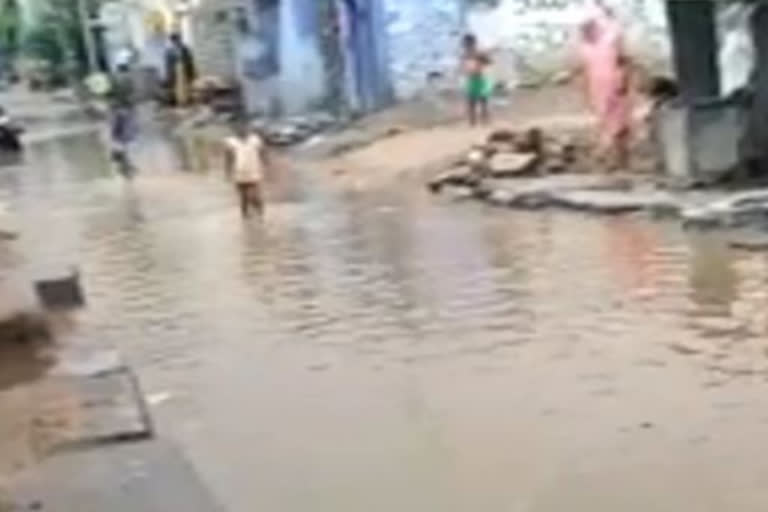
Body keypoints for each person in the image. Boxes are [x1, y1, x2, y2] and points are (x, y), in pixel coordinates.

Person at [577, 3, 631, 170]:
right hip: (598, 88)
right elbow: (583, 70)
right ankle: (611, 160)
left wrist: (623, 79)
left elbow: (623, 60)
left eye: (588, 27)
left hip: (615, 83)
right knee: (605, 122)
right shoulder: (585, 46)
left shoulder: (611, 37)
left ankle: (618, 160)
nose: (586, 31)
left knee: (620, 123)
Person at [224, 119, 269, 218]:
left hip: (253, 171)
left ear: (247, 128)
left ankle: (260, 210)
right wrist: (227, 172)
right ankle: (245, 217)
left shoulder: (255, 140)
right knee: (243, 196)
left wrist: (265, 164)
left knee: (253, 195)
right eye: (238, 127)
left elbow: (263, 152)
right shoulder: (230, 142)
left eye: (243, 127)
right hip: (239, 173)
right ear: (235, 129)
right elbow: (228, 158)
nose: (241, 129)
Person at [108, 61, 138, 178]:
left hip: (114, 109)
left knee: (116, 134)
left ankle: (119, 156)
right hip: (126, 109)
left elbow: (107, 94)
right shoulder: (129, 79)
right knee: (126, 136)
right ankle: (124, 160)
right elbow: (133, 94)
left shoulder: (112, 79)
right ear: (127, 70)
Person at [461, 34, 492, 126]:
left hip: (481, 79)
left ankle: (484, 122)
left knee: (483, 102)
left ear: (473, 43)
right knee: (472, 103)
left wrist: (480, 62)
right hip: (472, 80)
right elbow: (465, 67)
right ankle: (473, 123)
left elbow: (489, 62)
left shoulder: (479, 53)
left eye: (467, 43)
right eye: (465, 44)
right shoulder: (466, 54)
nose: (466, 45)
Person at [165, 33, 197, 107]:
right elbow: (168, 63)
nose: (176, 41)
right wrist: (168, 73)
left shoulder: (184, 48)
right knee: (177, 86)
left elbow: (189, 60)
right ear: (172, 41)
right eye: (174, 40)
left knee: (185, 84)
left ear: (179, 39)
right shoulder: (169, 51)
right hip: (175, 69)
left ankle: (186, 100)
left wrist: (191, 71)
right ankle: (179, 101)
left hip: (184, 68)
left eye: (177, 39)